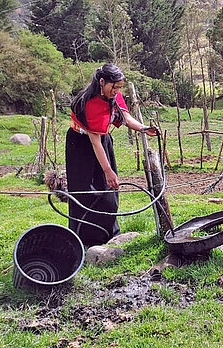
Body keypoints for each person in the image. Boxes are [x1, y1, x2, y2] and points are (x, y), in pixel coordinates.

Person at [66, 63, 157, 246]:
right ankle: (85, 239)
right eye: (114, 87)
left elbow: (126, 117)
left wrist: (143, 128)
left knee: (109, 193)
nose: (116, 91)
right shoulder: (89, 103)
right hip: (81, 146)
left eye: (119, 87)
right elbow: (94, 141)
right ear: (102, 82)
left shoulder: (114, 96)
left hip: (103, 141)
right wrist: (108, 171)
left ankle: (109, 234)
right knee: (86, 192)